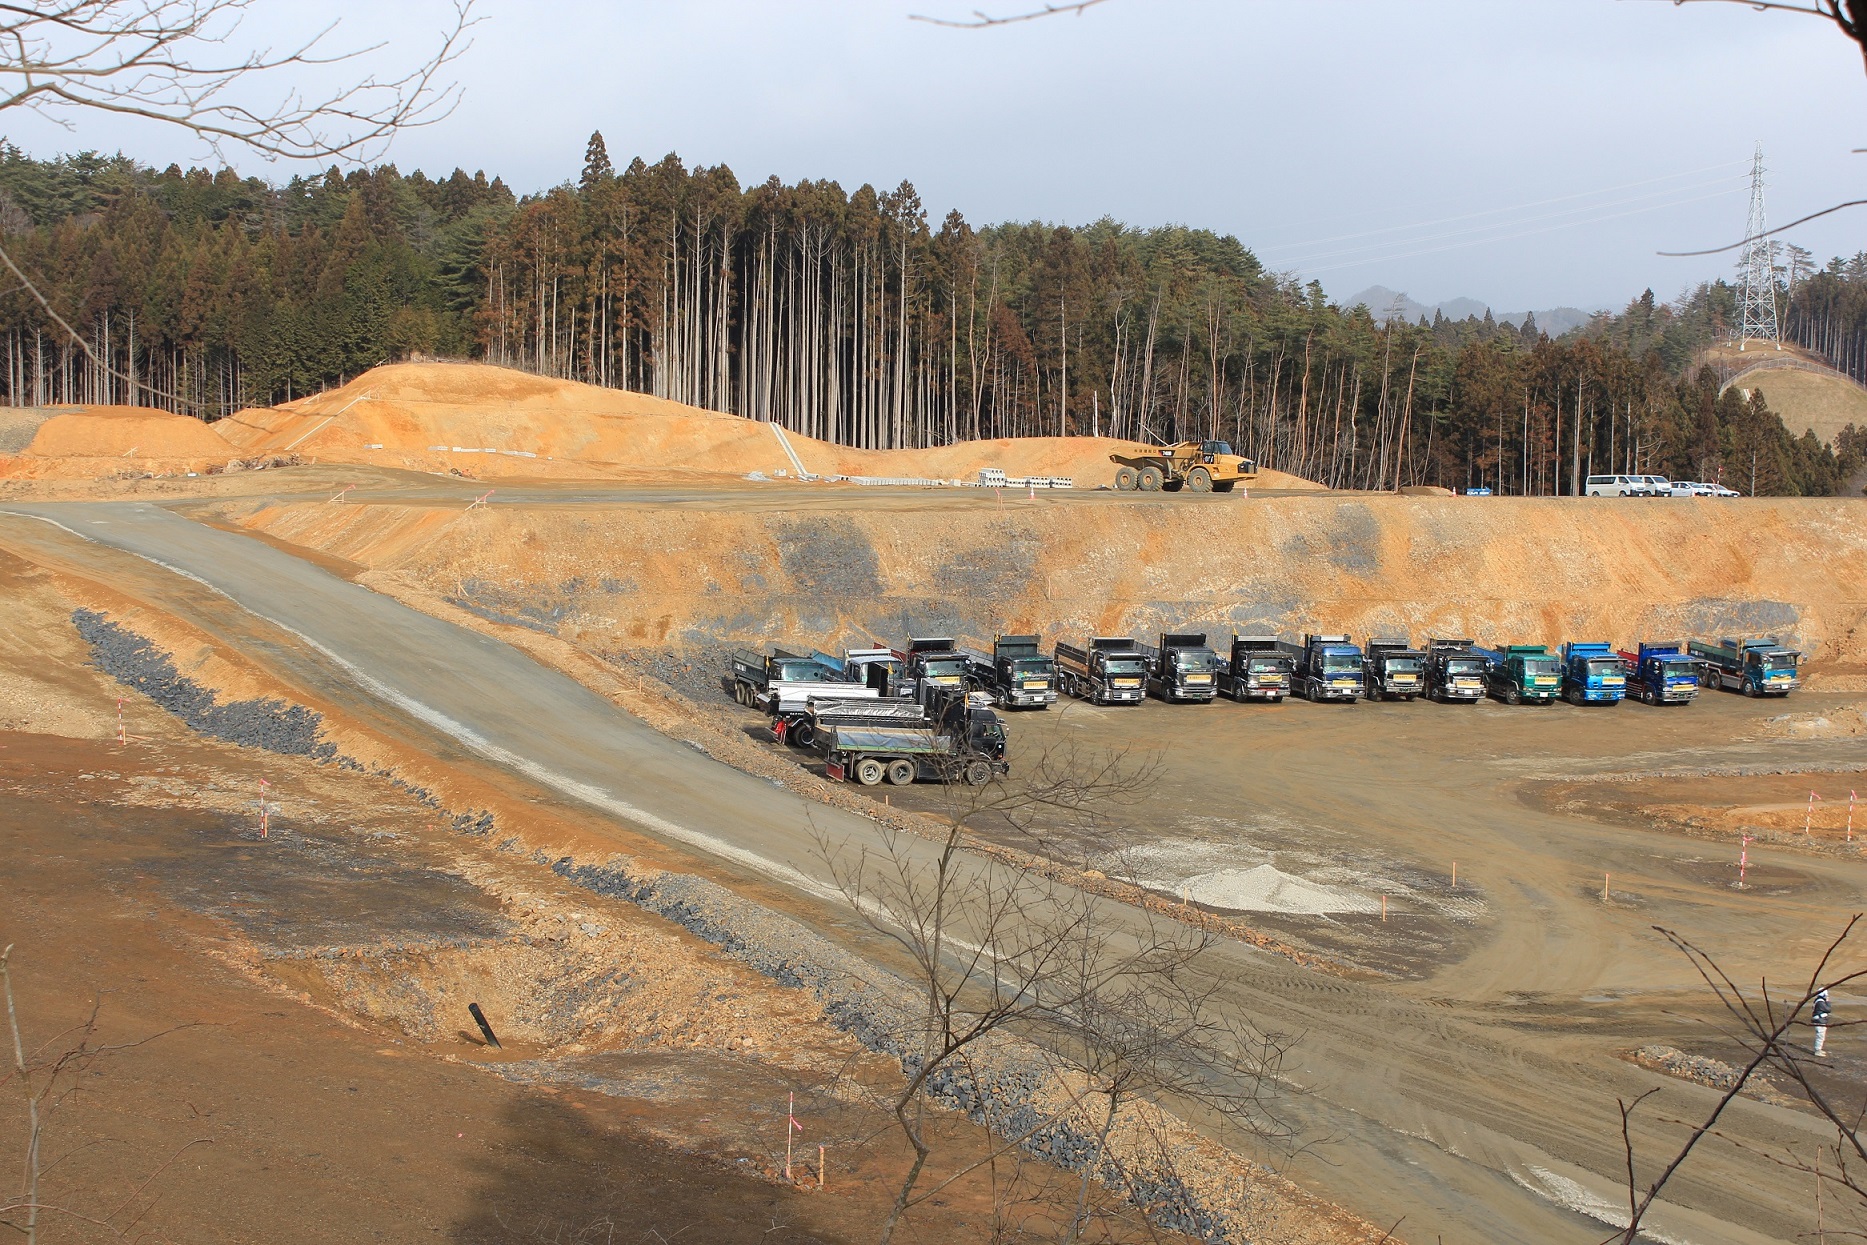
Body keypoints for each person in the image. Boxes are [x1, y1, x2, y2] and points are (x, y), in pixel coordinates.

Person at [1813, 987, 1833, 1058]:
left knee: (1821, 1036)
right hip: (1820, 1021)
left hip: (1820, 1020)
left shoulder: (1818, 1001)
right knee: (1820, 1036)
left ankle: (1819, 1049)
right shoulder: (1820, 1002)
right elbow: (1828, 1009)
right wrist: (1828, 1001)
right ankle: (1817, 1050)